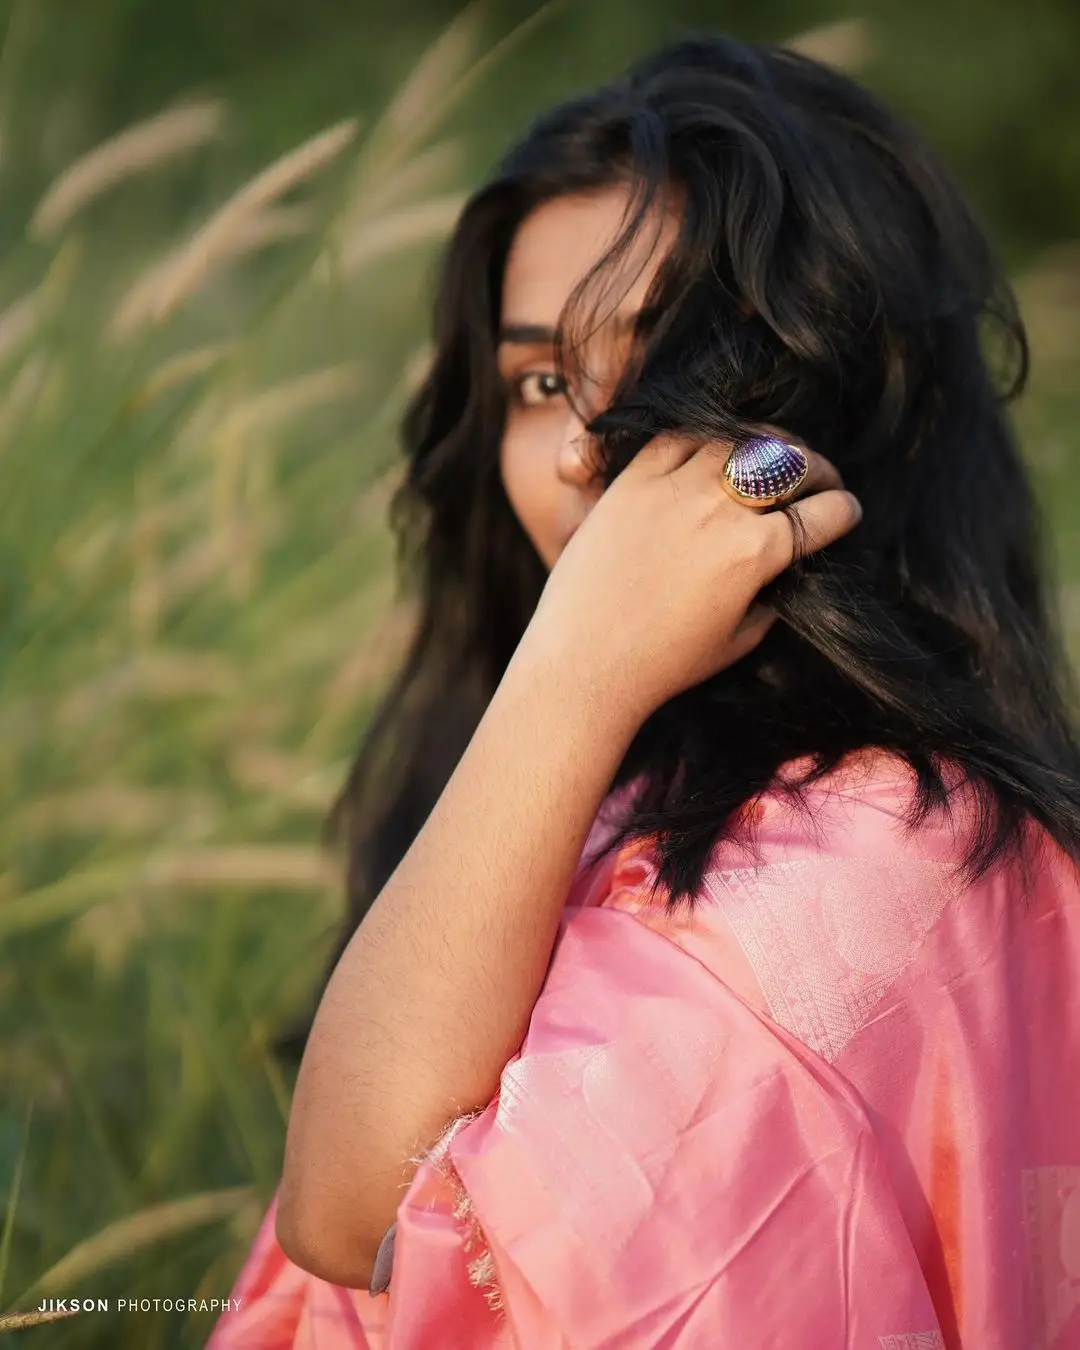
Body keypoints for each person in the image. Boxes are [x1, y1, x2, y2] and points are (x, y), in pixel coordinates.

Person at [207, 32, 1080, 1350]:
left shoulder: (865, 865)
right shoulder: (604, 783)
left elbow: (364, 1228)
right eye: (538, 380)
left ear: (826, 388)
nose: (573, 450)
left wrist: (570, 669)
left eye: (657, 366)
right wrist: (571, 687)